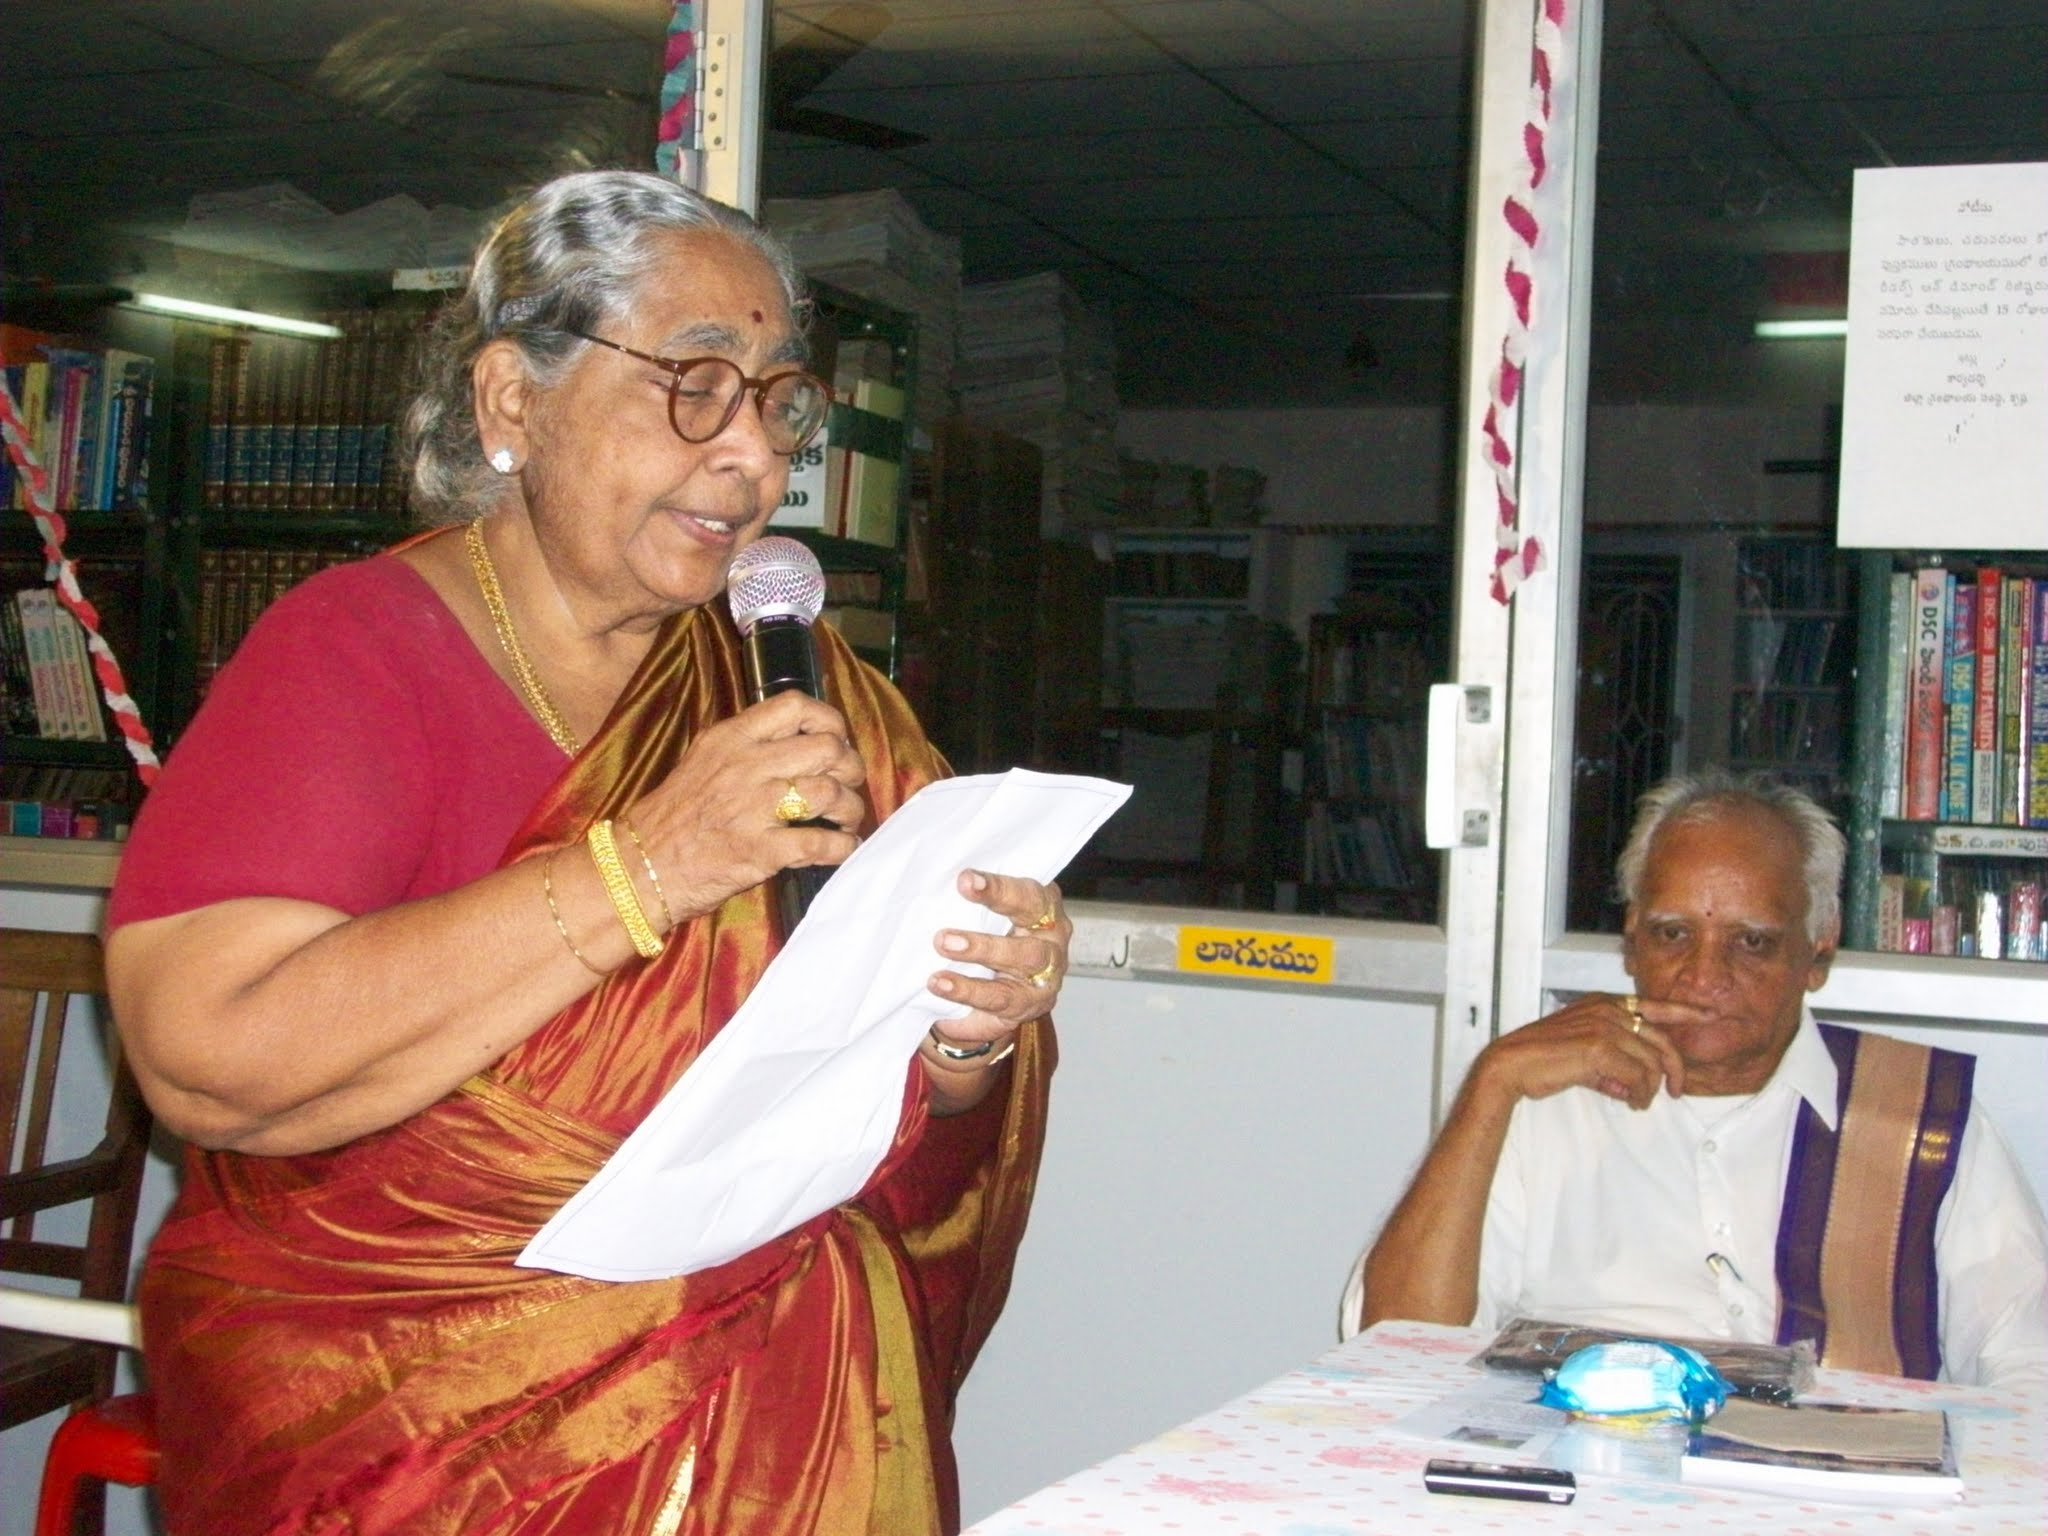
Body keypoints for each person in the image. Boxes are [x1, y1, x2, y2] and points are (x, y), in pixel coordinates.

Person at [105, 169, 1067, 1535]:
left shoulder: (787, 684)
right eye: (695, 385)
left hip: (780, 1427)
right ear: (513, 402)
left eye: (779, 402)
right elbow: (208, 1056)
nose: (752, 458)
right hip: (423, 1437)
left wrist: (968, 1032)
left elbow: (869, 1090)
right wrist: (646, 868)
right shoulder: (358, 649)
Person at [1345, 769, 2048, 1387]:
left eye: (1752, 942)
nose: (1705, 976)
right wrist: (1490, 1084)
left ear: (1818, 952)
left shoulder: (1919, 1114)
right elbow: (1393, 1348)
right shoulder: (1538, 1100)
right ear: (1631, 938)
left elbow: (2030, 1363)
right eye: (1673, 933)